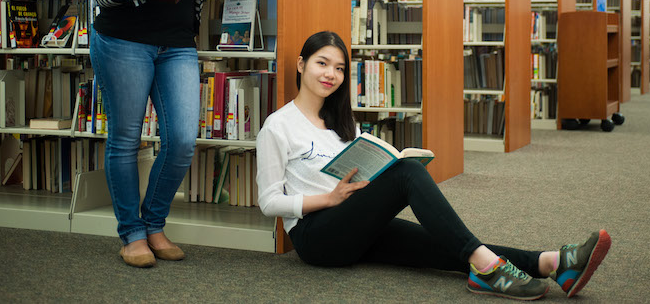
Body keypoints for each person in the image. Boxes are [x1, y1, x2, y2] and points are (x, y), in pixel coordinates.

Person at [256, 31, 612, 300]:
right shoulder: (278, 125)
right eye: (322, 63)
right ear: (302, 64)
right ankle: (491, 267)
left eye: (339, 68)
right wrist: (328, 200)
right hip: (317, 238)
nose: (330, 74)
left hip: (353, 220)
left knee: (447, 245)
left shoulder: (340, 119)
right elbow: (269, 202)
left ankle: (552, 264)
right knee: (409, 173)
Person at [89, 0, 260, 268]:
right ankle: (132, 233)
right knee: (126, 139)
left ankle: (154, 222)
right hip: (123, 39)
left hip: (178, 43)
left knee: (183, 139)